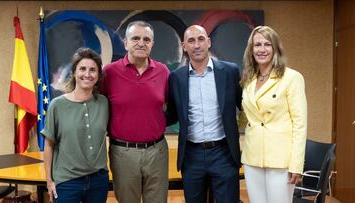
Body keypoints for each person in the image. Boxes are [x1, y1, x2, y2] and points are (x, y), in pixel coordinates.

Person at [166, 25, 242, 203]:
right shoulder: (176, 78)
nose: (197, 45)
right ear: (184, 46)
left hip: (224, 152)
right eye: (191, 41)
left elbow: (246, 105)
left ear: (208, 42)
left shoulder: (230, 71)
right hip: (192, 156)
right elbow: (172, 115)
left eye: (201, 39)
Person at [101, 21, 170, 203]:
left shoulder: (163, 72)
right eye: (136, 38)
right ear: (125, 43)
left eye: (146, 39)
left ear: (152, 45)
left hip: (157, 152)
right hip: (123, 153)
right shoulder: (109, 72)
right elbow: (97, 107)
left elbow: (173, 107)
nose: (141, 43)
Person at [240, 25, 307, 203]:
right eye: (257, 45)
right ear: (251, 50)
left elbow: (300, 124)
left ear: (276, 48)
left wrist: (296, 164)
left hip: (281, 160)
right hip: (253, 157)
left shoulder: (292, 78)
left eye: (267, 44)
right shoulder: (248, 79)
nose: (262, 49)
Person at [42, 47, 109, 203]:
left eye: (93, 70)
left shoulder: (104, 103)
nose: (87, 74)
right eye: (82, 69)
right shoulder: (57, 105)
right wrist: (49, 181)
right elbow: (49, 145)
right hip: (67, 182)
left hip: (98, 180)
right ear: (73, 72)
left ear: (98, 75)